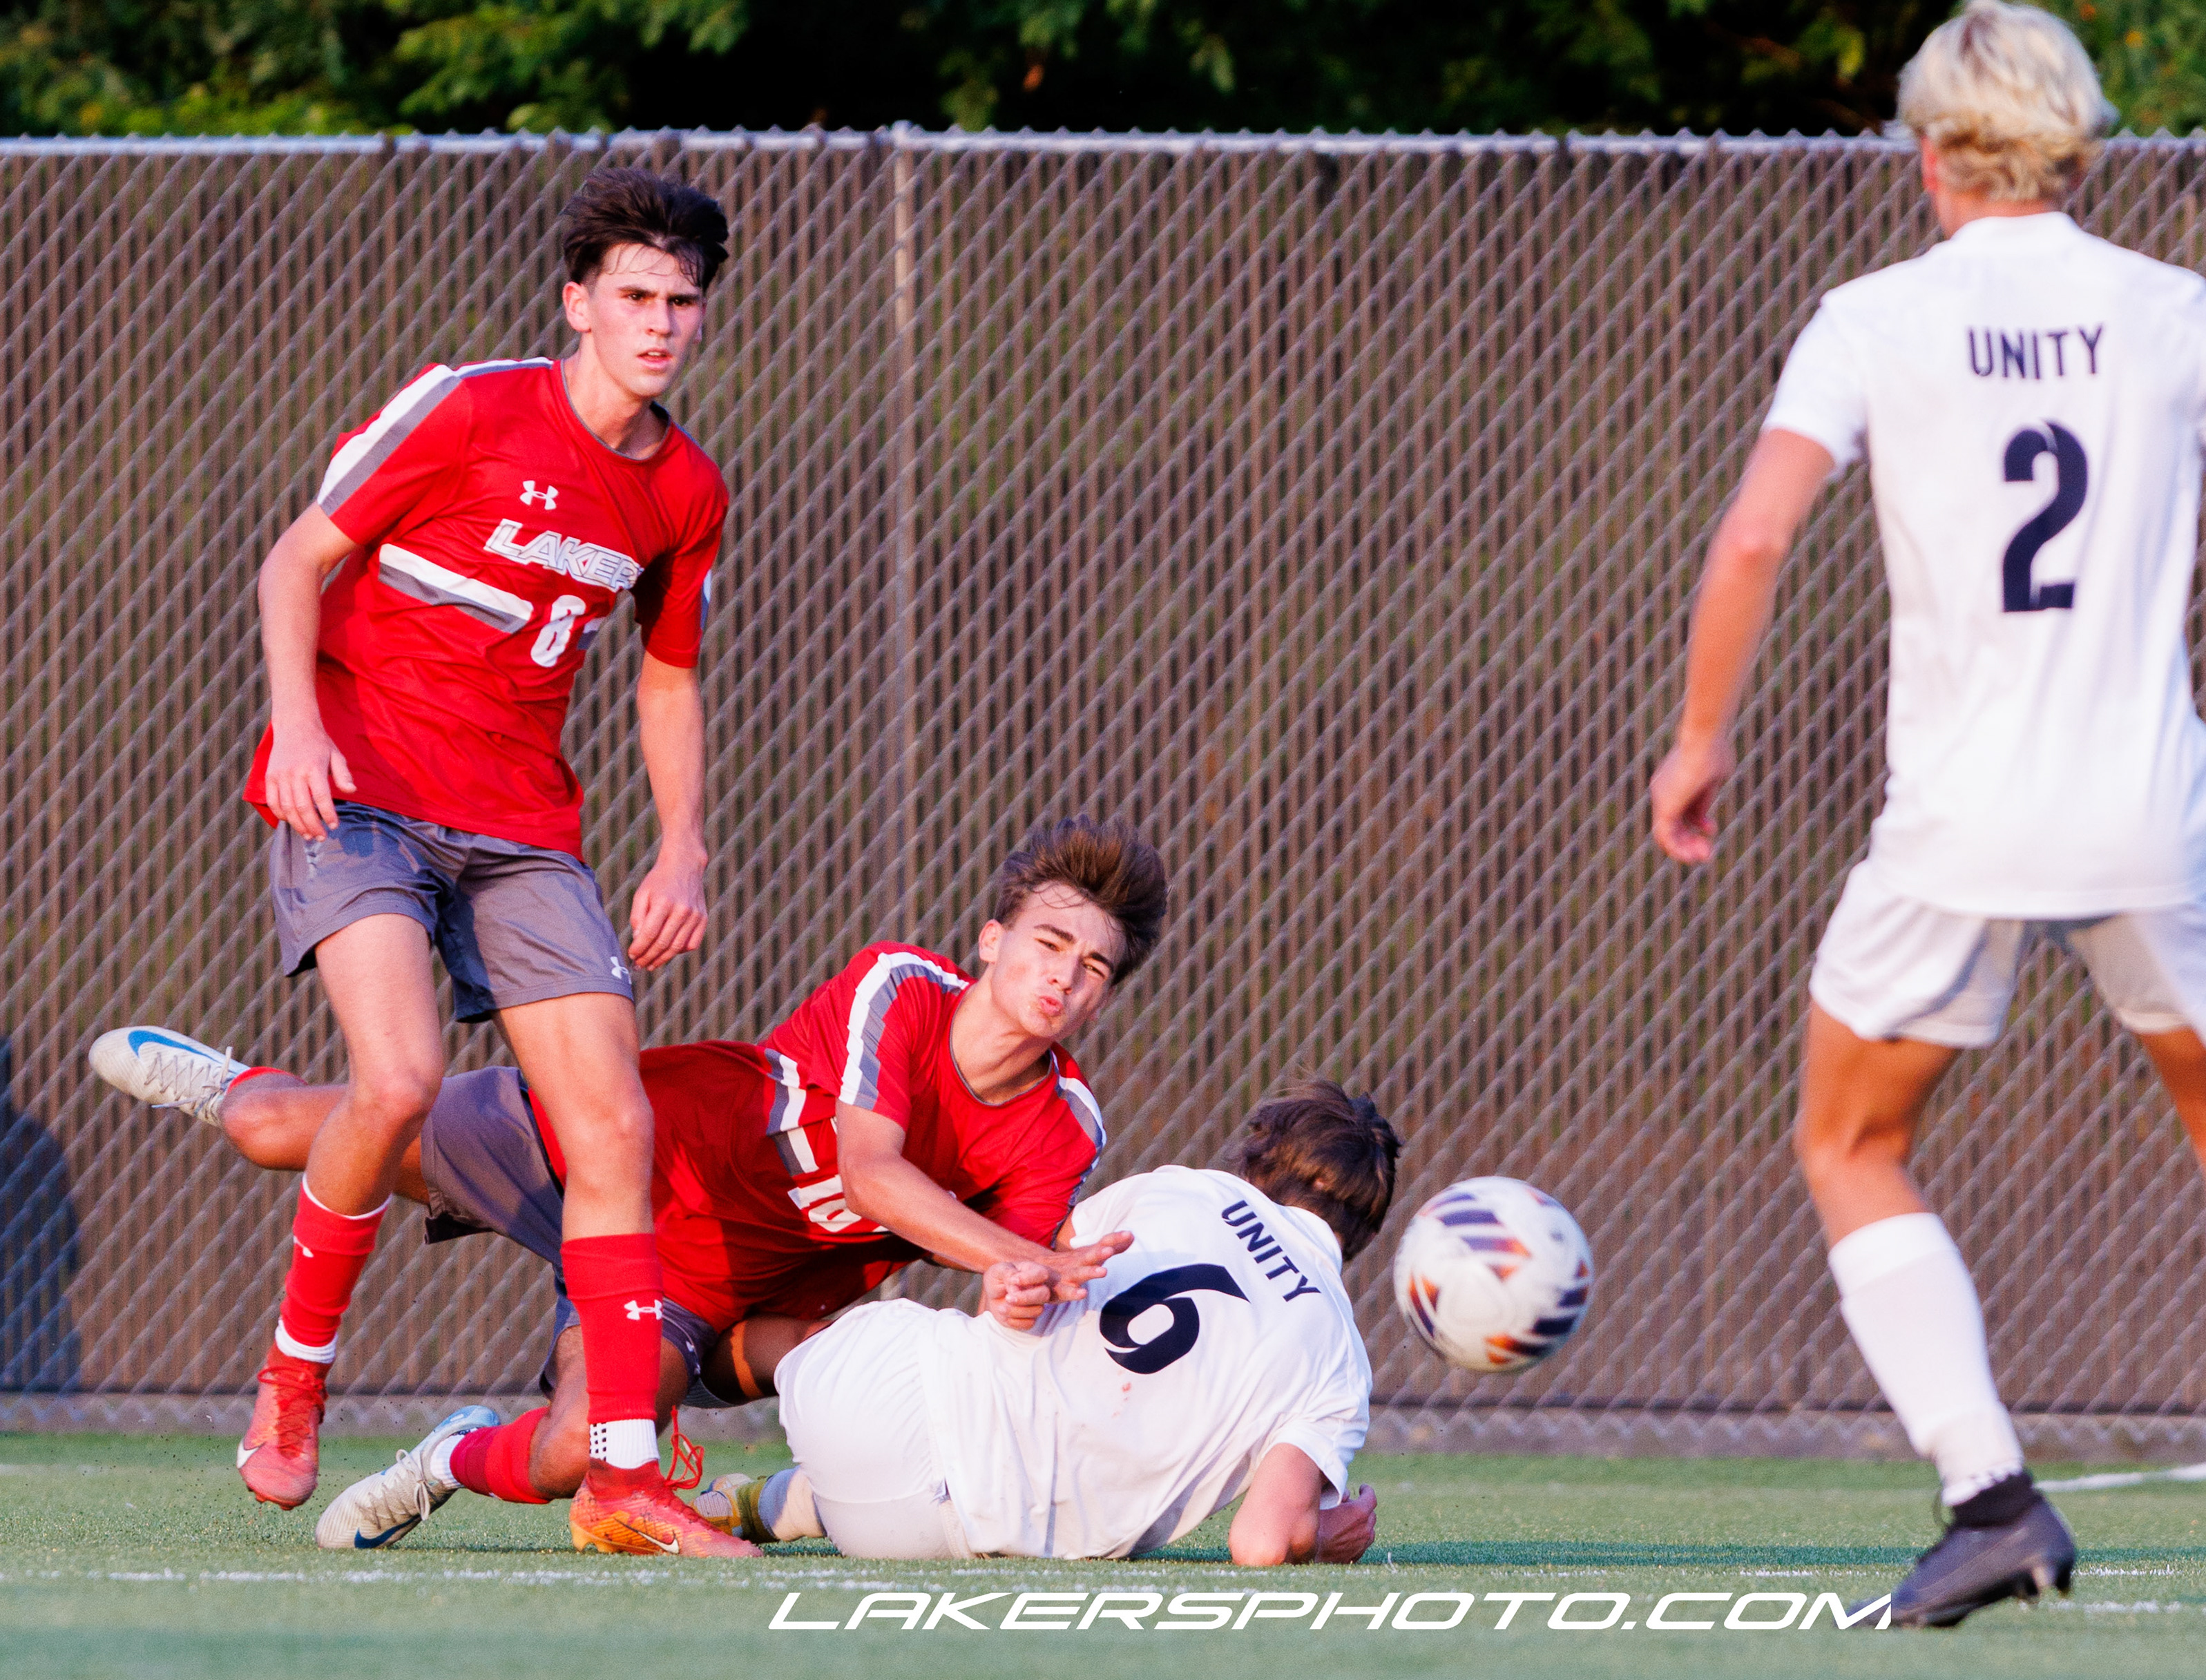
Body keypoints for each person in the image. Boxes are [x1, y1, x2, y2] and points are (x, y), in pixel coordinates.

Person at [1647, 1, 2206, 1632]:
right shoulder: (2170, 308)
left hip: (1959, 823)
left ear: (1931, 153)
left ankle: (1993, 1500)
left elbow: (1753, 538)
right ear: (2075, 149)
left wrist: (1700, 738)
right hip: (2147, 814)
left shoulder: (1871, 317)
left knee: (1849, 1143)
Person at [164, 162, 738, 1552]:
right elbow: (294, 563)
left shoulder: (687, 489)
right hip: (360, 788)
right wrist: (298, 726)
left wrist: (683, 847)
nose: (661, 323)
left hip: (522, 825)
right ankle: (296, 1370)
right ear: (578, 303)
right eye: (635, 296)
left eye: (682, 302)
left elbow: (667, 678)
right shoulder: (472, 405)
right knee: (401, 1078)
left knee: (615, 1130)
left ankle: (623, 1476)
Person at [90, 815, 1167, 1554]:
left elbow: (1007, 1303)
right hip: (608, 1143)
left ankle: (446, 1460)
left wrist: (1020, 1288)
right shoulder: (905, 985)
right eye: (1048, 942)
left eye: (1094, 967)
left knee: (577, 1454)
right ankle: (230, 1086)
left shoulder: (1064, 1124)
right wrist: (1017, 1257)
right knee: (281, 1132)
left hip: (687, 1286)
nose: (1063, 976)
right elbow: (871, 1172)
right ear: (991, 940)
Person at [693, 1081, 1395, 1565]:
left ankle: (659, 1380)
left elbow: (1032, 1285)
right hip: (932, 1536)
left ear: (1260, 1158)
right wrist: (1322, 1535)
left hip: (870, 1401)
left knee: (816, 1348)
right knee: (977, 1469)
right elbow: (1262, 1544)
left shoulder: (1190, 1187)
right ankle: (773, 1501)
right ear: (1362, 1231)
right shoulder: (1340, 1358)